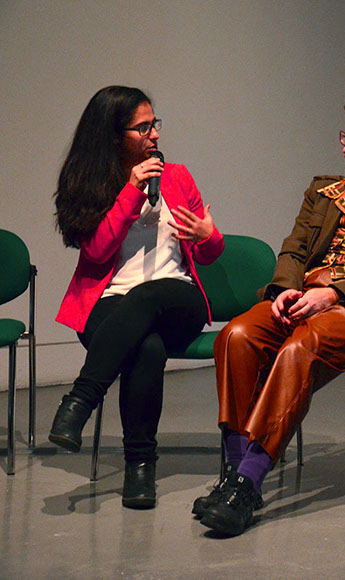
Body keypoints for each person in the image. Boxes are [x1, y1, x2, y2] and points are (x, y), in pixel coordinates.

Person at [194, 99, 345, 537]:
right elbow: (294, 249)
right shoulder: (322, 192)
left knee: (300, 349)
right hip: (303, 296)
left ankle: (248, 483)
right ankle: (232, 470)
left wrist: (332, 294)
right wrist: (284, 291)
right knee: (237, 335)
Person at [49, 86, 224, 509]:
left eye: (154, 125)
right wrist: (131, 191)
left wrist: (209, 236)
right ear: (114, 137)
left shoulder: (178, 177)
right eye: (142, 128)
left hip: (180, 299)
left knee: (153, 295)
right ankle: (140, 469)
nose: (154, 136)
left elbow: (208, 250)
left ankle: (82, 399)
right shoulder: (91, 183)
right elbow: (95, 252)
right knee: (146, 348)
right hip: (110, 302)